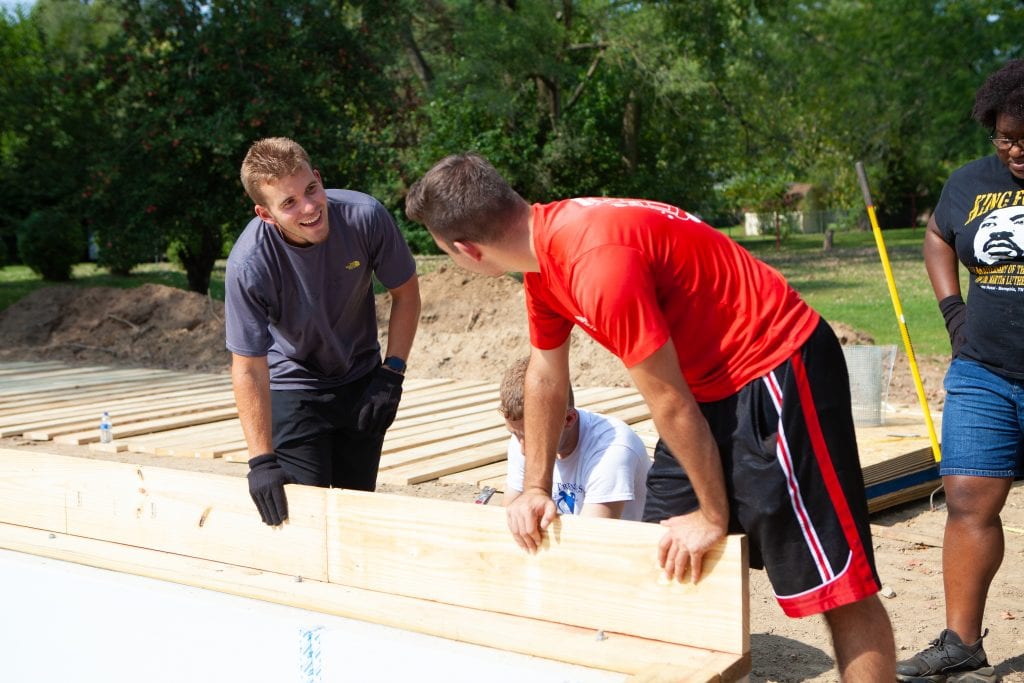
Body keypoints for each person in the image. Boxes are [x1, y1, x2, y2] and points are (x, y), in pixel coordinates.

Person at [405, 153, 895, 680]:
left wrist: (713, 515)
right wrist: (535, 487)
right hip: (706, 385)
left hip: (777, 365)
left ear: (466, 251)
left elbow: (668, 401)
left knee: (832, 585)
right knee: (658, 552)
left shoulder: (594, 261)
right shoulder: (543, 262)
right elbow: (546, 374)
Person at [896, 60, 1024, 683]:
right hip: (985, 371)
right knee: (968, 497)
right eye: (1006, 137)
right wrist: (953, 312)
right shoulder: (970, 182)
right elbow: (938, 235)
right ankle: (962, 642)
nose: (1016, 149)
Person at [226, 137, 420, 527]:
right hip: (295, 385)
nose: (310, 208)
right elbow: (248, 366)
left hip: (363, 378)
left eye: (311, 190)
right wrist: (261, 460)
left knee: (355, 512)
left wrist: (391, 374)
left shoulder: (365, 217)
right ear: (266, 214)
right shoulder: (249, 265)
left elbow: (407, 294)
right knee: (306, 517)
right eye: (289, 203)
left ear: (318, 177)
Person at [499, 356, 651, 520]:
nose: (523, 450)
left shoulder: (613, 450)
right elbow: (507, 516)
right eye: (515, 434)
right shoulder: (524, 437)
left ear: (569, 419)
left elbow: (592, 537)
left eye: (531, 437)